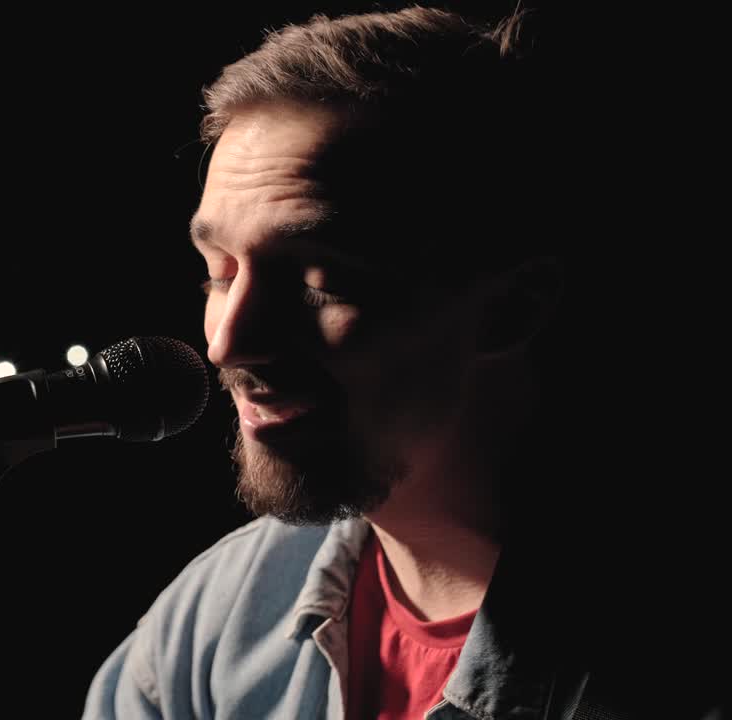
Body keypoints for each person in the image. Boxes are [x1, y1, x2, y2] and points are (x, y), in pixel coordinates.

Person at [82, 6, 725, 719]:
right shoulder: (212, 621)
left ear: (511, 308)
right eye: (220, 272)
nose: (229, 343)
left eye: (318, 280)